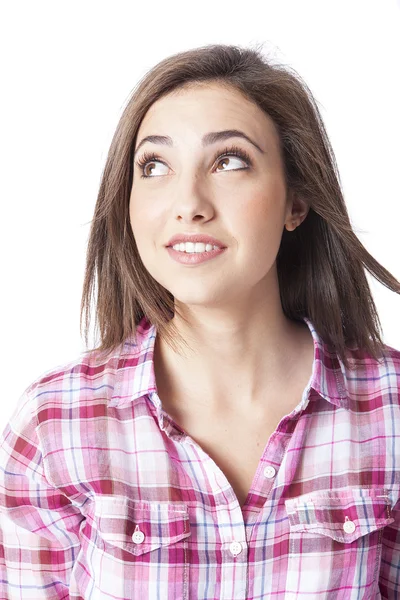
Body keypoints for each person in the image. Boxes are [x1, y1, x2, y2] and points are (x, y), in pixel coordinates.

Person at [0, 43, 399, 599]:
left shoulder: (391, 409)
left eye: (229, 161)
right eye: (155, 165)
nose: (188, 202)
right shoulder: (55, 425)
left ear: (296, 202)